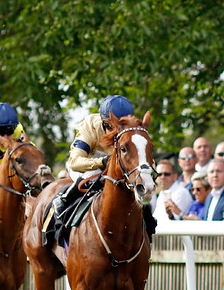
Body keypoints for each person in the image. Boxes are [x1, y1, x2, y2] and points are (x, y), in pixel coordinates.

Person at [55, 95, 158, 240]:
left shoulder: (135, 129)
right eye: (112, 126)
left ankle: (147, 231)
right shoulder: (91, 126)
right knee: (92, 176)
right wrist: (103, 162)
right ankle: (64, 201)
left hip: (120, 169)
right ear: (104, 123)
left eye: (123, 125)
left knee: (148, 200)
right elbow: (75, 162)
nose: (117, 131)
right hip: (89, 164)